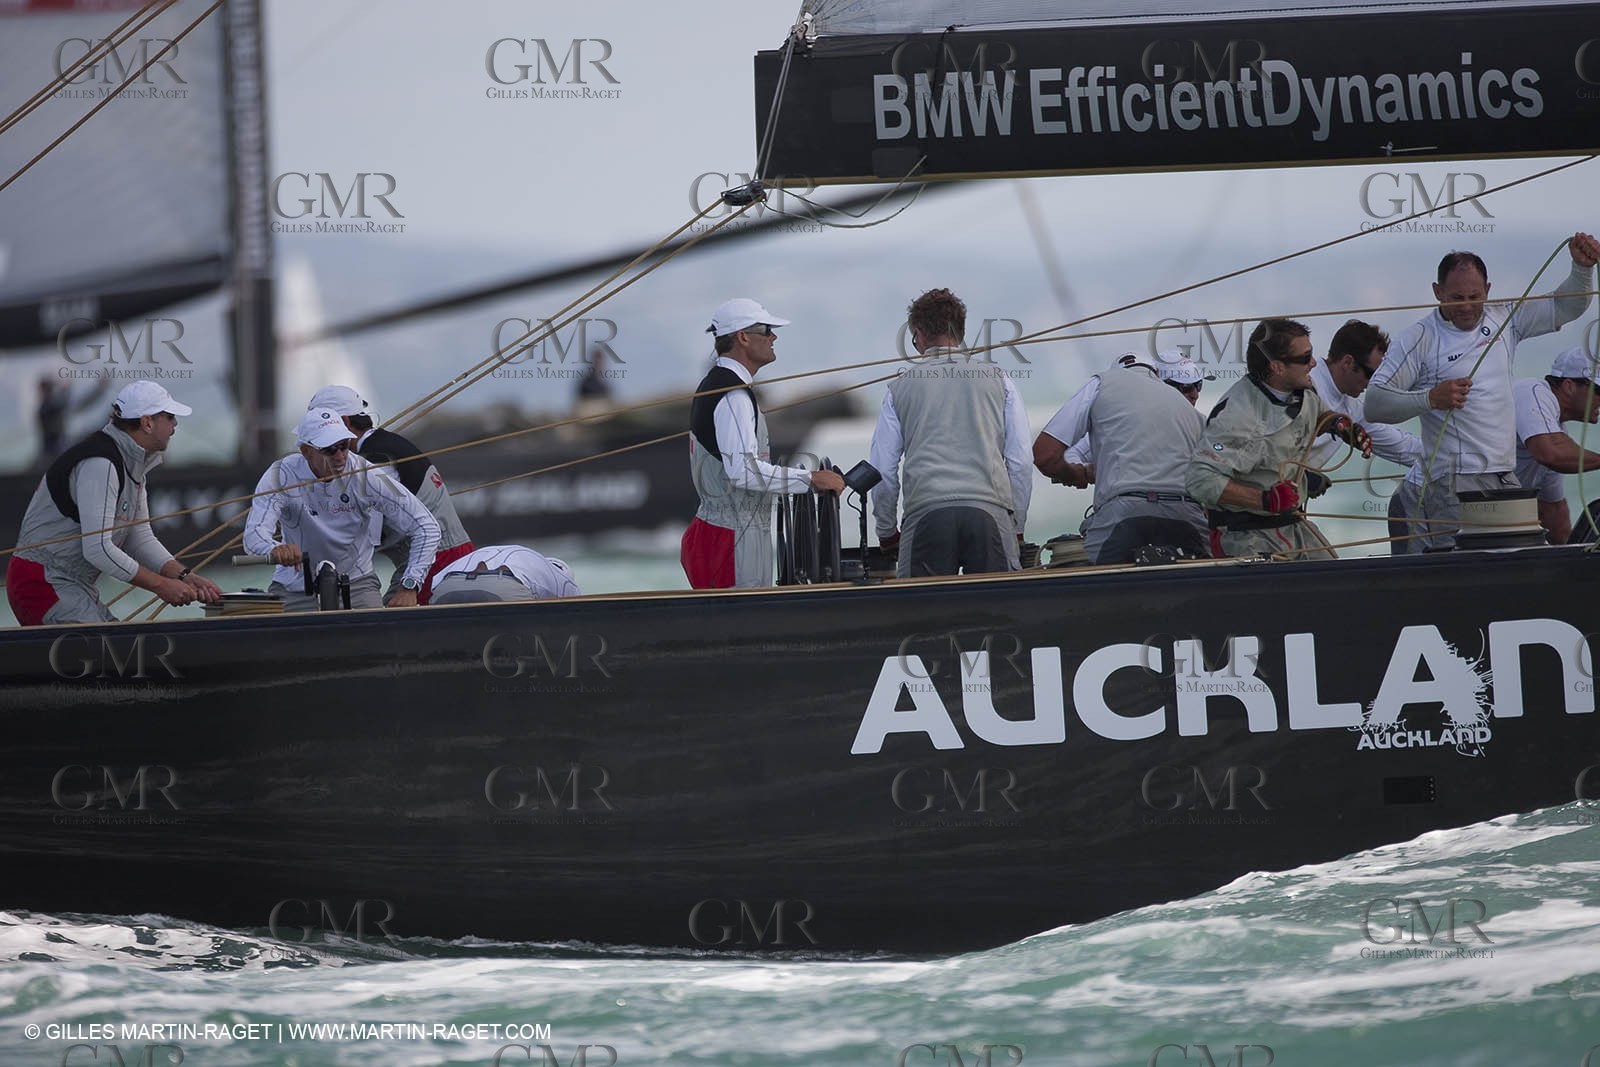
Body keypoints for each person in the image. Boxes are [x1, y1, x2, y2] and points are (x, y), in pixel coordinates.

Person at [1365, 233, 1600, 549]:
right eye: (1456, 298)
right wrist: (1430, 398)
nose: (1466, 307)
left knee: (1522, 563)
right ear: (1437, 292)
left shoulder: (1505, 319)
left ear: (1488, 290)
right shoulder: (1420, 338)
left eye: (1475, 297)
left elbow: (1565, 307)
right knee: (1457, 581)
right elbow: (1375, 404)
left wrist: (1581, 269)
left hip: (1501, 476)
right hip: (1445, 485)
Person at [7, 380, 222, 625]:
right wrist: (162, 586)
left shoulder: (132, 463)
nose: (175, 424)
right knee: (111, 656)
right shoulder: (101, 463)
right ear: (147, 422)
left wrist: (186, 577)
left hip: (72, 585)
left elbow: (139, 538)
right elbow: (97, 549)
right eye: (169, 416)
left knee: (119, 652)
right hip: (41, 583)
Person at [681, 298, 845, 588]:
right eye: (767, 330)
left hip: (723, 532)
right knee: (739, 625)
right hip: (731, 538)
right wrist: (810, 480)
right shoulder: (733, 395)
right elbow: (743, 472)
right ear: (743, 337)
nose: (774, 337)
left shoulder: (716, 385)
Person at [869, 288, 1032, 577]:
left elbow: (883, 469)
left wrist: (886, 530)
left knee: (922, 617)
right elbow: (1019, 461)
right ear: (960, 332)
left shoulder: (898, 389)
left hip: (925, 513)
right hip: (990, 511)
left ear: (918, 334)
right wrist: (1016, 527)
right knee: (1000, 610)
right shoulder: (1000, 380)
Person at [1188, 319, 1372, 560]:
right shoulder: (1237, 416)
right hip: (1245, 536)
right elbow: (1199, 480)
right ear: (1277, 367)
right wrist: (1266, 500)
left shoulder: (1303, 393)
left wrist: (1341, 426)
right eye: (1306, 358)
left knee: (1339, 582)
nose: (1314, 363)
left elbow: (1319, 414)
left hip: (1292, 525)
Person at [244, 407, 439, 611]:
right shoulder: (280, 474)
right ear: (305, 451)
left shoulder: (367, 474)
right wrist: (273, 548)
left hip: (357, 585)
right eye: (329, 449)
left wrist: (410, 585)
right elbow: (253, 536)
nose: (339, 456)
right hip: (294, 587)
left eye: (344, 445)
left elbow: (426, 526)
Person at [1033, 354, 1208, 564]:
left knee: (1090, 580)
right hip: (1187, 512)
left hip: (1124, 511)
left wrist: (1079, 474)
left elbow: (1045, 456)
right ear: (1157, 374)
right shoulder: (1191, 412)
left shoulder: (1104, 383)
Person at [306, 386, 473, 604]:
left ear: (345, 422)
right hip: (447, 556)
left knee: (382, 628)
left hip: (436, 561)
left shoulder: (376, 459)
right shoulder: (384, 444)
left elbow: (370, 534)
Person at [1302, 320, 1424, 549]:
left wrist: (1453, 460)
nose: (1372, 385)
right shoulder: (1306, 385)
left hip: (1290, 509)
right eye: (1371, 375)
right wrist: (1301, 477)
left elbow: (1401, 446)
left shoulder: (1352, 406)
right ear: (1348, 362)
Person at [1036, 352, 1213, 488]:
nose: (1195, 394)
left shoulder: (1199, 424)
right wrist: (1090, 470)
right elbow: (1070, 454)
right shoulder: (1198, 424)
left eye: (1199, 385)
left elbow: (1047, 456)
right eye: (1187, 387)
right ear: (1160, 384)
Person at [1512, 347, 1600, 544]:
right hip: (1439, 502)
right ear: (1569, 386)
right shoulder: (1532, 391)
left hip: (1477, 512)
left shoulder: (1552, 434)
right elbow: (1551, 454)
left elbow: (1553, 511)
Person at [429, 544, 581, 604]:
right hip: (503, 585)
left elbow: (435, 585)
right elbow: (576, 610)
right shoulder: (561, 577)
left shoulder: (529, 557)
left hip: (447, 585)